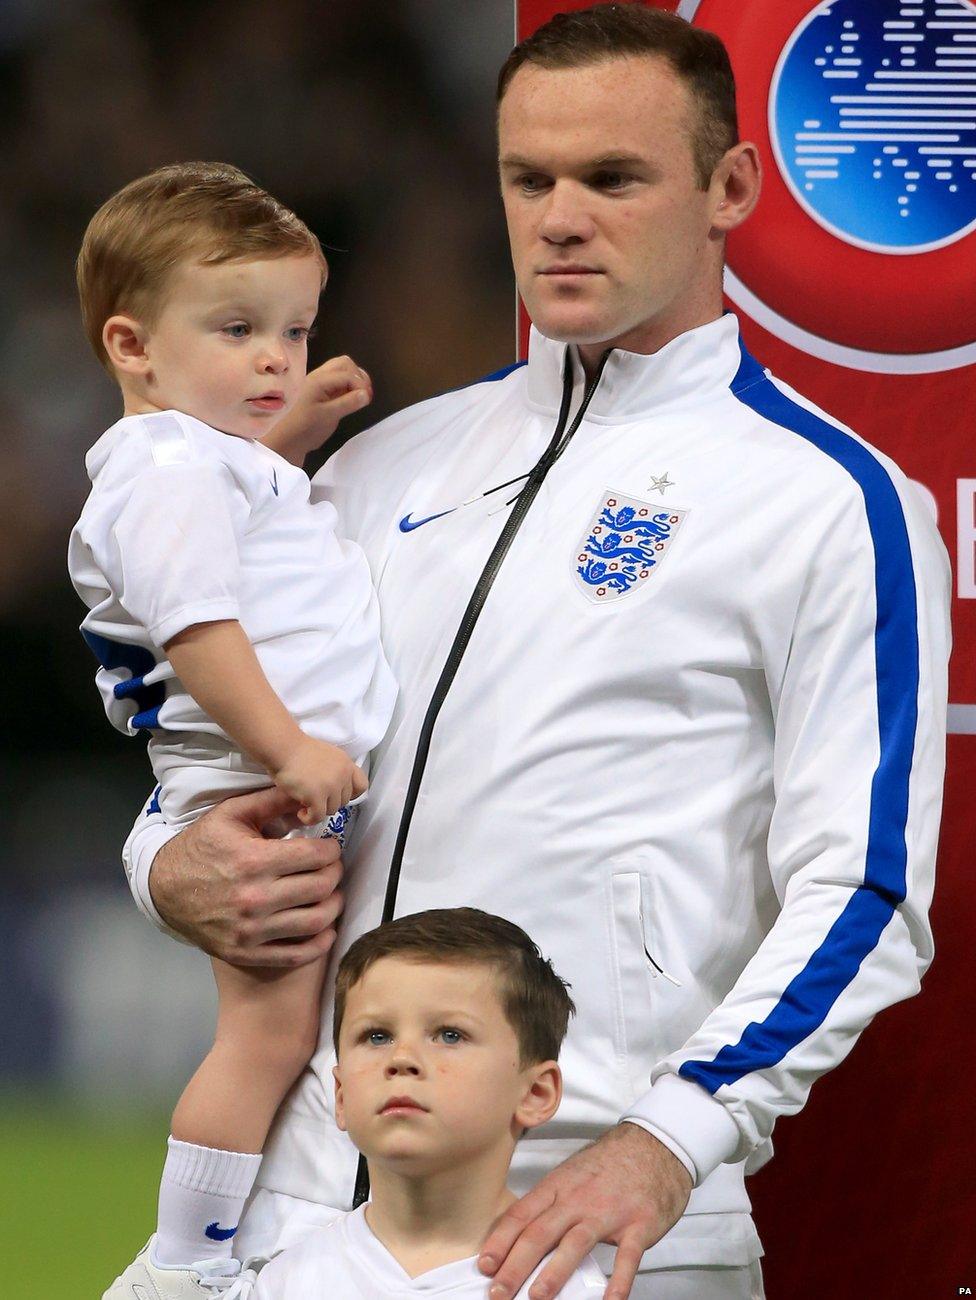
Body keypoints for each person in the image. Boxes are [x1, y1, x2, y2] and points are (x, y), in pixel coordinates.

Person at [120, 8, 952, 1300]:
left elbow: (866, 890)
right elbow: (213, 749)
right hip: (299, 1225)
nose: (560, 217)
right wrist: (165, 866)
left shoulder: (834, 501)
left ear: (729, 187)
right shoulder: (379, 466)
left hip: (591, 1232)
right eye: (529, 179)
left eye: (612, 178)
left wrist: (667, 1144)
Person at [68, 162, 397, 1297]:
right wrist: (289, 749)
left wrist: (279, 446)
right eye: (239, 327)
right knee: (264, 1037)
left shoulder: (199, 461)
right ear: (132, 346)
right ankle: (182, 1265)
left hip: (262, 774)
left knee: (281, 1033)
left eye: (295, 330)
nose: (276, 356)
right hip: (245, 784)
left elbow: (254, 562)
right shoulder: (161, 469)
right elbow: (201, 625)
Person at [247, 907, 606, 1297]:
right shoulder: (287, 1281)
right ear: (341, 1095)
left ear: (536, 1093)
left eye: (449, 1035)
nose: (401, 1058)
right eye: (377, 1036)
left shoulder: (566, 1289)